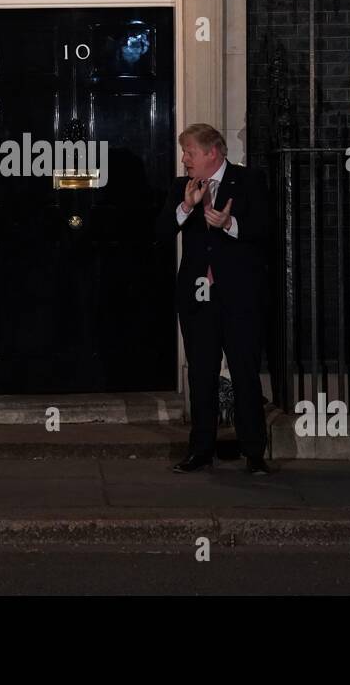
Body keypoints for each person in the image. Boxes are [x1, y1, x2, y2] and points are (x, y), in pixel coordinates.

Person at [154, 123, 272, 475]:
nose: (184, 159)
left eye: (189, 152)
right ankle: (200, 450)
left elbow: (266, 229)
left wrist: (230, 224)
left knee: (244, 373)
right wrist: (186, 208)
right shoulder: (182, 187)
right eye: (184, 152)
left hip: (239, 298)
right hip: (196, 299)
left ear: (212, 153)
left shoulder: (248, 181)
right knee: (201, 375)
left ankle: (254, 453)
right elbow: (161, 232)